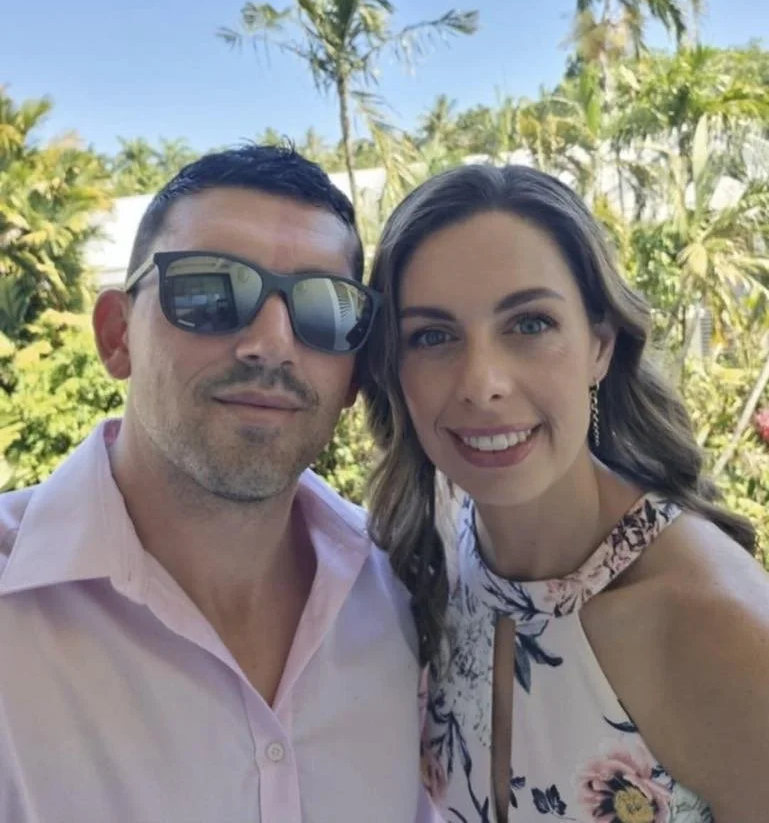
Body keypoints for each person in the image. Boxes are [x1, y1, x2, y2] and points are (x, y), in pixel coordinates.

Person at [0, 144, 438, 823]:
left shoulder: (408, 595)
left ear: (354, 373)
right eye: (211, 292)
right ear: (118, 336)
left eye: (325, 309)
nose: (273, 344)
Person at [362, 163, 769, 823]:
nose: (482, 383)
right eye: (432, 336)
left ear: (599, 345)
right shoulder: (437, 549)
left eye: (528, 324)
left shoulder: (712, 624)